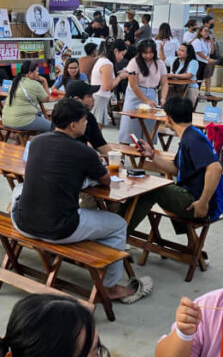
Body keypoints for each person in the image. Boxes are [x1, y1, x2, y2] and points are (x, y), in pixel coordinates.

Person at [12, 99, 150, 303]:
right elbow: (106, 180)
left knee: (20, 190)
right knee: (118, 225)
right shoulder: (83, 151)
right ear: (73, 125)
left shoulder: (37, 142)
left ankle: (94, 255)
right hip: (59, 229)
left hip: (22, 222)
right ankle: (110, 287)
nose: (87, 124)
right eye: (84, 120)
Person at [130, 96, 223, 230]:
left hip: (200, 204)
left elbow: (215, 168)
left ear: (168, 119)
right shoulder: (190, 134)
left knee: (150, 190)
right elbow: (176, 169)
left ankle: (119, 232)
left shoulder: (193, 139)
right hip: (192, 195)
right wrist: (152, 155)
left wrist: (203, 202)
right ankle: (120, 229)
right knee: (146, 187)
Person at [118, 39, 168, 146]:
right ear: (140, 52)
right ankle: (123, 152)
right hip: (134, 95)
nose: (148, 56)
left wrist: (163, 98)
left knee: (149, 126)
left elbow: (164, 83)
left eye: (151, 53)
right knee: (128, 126)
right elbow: (133, 85)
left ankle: (147, 151)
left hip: (152, 93)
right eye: (145, 53)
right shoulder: (134, 62)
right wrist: (146, 100)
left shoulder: (160, 63)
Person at [61, 80, 113, 155]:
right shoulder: (61, 118)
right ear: (77, 100)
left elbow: (101, 144)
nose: (94, 99)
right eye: (89, 96)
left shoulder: (89, 117)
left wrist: (115, 158)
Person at [2, 61, 51, 133]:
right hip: (21, 122)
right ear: (30, 73)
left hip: (6, 120)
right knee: (52, 127)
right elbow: (47, 99)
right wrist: (44, 81)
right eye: (37, 71)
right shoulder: (34, 84)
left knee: (39, 115)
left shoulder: (15, 81)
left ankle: (22, 140)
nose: (38, 73)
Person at [89, 40, 128, 127]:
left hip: (97, 97)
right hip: (100, 98)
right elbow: (107, 87)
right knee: (96, 129)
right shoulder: (107, 64)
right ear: (116, 51)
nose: (122, 58)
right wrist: (120, 77)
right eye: (122, 54)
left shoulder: (102, 60)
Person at [167, 42, 200, 107]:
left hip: (190, 87)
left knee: (187, 108)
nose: (179, 52)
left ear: (188, 53)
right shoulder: (174, 59)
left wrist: (174, 75)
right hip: (176, 86)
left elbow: (189, 75)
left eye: (182, 51)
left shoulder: (193, 62)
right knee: (164, 90)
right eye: (179, 50)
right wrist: (161, 49)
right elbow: (163, 60)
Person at [191, 26, 215, 94]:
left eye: (208, 31)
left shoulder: (207, 42)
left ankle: (206, 92)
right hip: (199, 62)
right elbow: (199, 52)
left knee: (206, 77)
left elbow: (211, 52)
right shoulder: (197, 41)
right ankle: (195, 93)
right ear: (200, 32)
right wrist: (207, 58)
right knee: (198, 78)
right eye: (205, 31)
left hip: (205, 62)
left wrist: (211, 42)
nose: (207, 33)